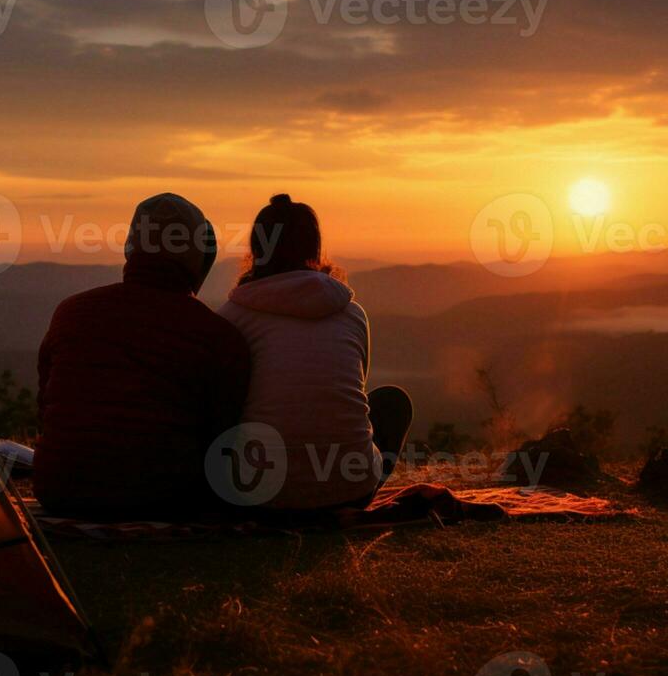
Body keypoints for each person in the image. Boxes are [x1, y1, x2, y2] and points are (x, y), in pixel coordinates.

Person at [33, 193, 251, 518]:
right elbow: (224, 438)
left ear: (131, 248)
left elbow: (45, 404)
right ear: (199, 257)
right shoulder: (219, 337)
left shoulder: (70, 313)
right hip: (168, 498)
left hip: (60, 490)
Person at [218, 194, 412, 510]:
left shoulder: (234, 316)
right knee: (391, 402)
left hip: (259, 497)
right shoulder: (351, 312)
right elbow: (351, 394)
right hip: (351, 491)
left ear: (256, 249)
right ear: (314, 247)